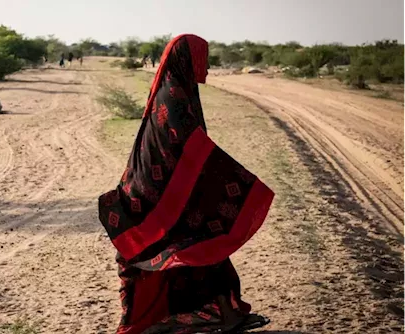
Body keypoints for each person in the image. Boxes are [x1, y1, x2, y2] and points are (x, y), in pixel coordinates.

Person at [97, 34, 275, 334]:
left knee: (201, 247)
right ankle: (196, 316)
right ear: (186, 59)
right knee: (189, 246)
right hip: (158, 193)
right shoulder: (175, 96)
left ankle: (211, 314)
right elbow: (185, 148)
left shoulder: (179, 90)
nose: (203, 66)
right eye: (200, 58)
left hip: (161, 189)